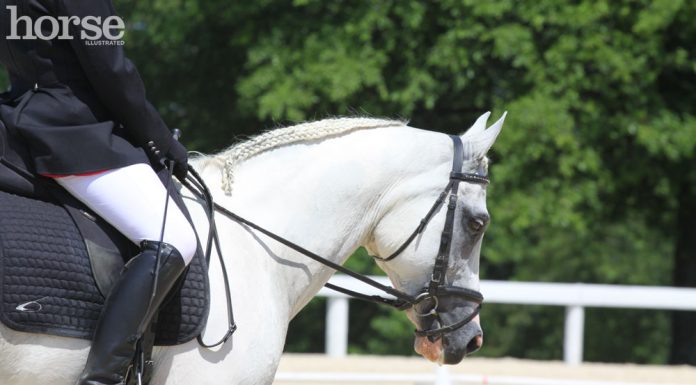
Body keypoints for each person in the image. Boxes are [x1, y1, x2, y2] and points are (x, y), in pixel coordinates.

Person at [0, 1, 198, 384]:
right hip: (71, 133)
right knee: (174, 238)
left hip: (17, 122)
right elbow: (111, 70)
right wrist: (161, 142)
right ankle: (102, 378)